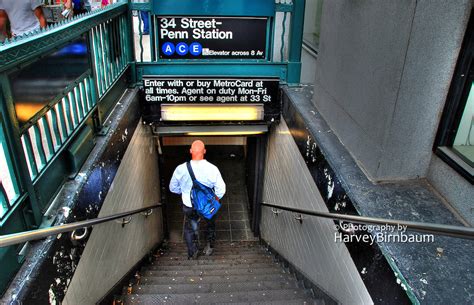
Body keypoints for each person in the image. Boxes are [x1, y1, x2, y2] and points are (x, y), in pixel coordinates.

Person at [169, 140, 226, 259]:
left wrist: (184, 192)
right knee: (210, 224)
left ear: (190, 151)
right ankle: (209, 247)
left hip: (189, 205)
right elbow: (221, 189)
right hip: (207, 205)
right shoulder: (212, 168)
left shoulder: (180, 169)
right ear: (204, 151)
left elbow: (173, 188)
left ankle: (193, 253)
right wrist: (213, 199)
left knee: (191, 228)